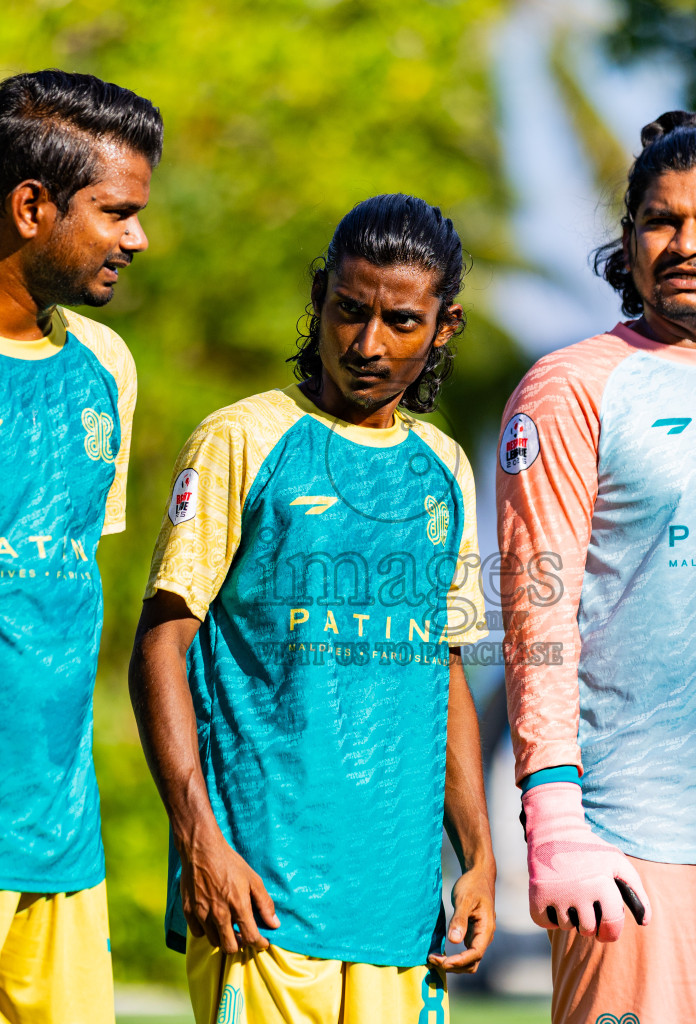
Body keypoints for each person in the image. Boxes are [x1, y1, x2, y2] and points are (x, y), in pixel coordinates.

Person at [129, 194, 496, 1024]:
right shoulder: (243, 438)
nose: (367, 344)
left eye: (400, 321)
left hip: (401, 908)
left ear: (445, 327)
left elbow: (442, 669)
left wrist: (476, 854)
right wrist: (199, 841)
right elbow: (160, 646)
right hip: (260, 893)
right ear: (319, 295)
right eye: (347, 311)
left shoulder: (441, 465)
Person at [497, 109, 696, 1024]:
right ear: (628, 241)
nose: (685, 243)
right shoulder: (570, 387)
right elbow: (534, 612)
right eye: (658, 220)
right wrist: (553, 813)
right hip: (635, 838)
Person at [0, 70, 162, 1023]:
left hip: (61, 839)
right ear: (31, 206)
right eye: (116, 212)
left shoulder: (106, 366)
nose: (137, 238)